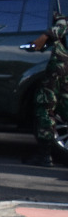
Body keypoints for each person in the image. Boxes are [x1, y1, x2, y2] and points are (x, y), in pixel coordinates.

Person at [26, 11, 68, 166]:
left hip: (55, 67)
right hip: (62, 67)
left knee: (45, 107)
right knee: (63, 106)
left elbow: (60, 27)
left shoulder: (60, 18)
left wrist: (44, 36)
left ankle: (44, 155)